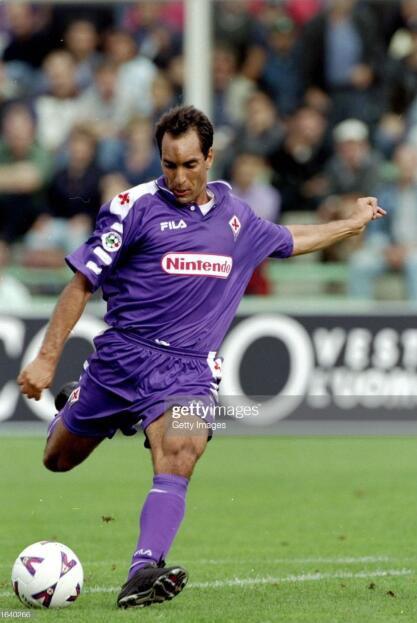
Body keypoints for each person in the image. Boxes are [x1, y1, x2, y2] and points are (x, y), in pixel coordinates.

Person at [17, 106, 385, 610]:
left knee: (183, 448)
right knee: (58, 460)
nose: (179, 177)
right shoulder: (132, 207)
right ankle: (78, 399)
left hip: (190, 369)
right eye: (169, 165)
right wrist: (46, 359)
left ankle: (143, 570)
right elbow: (81, 283)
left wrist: (352, 224)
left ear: (209, 158)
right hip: (121, 360)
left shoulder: (236, 216)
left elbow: (288, 239)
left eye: (190, 165)